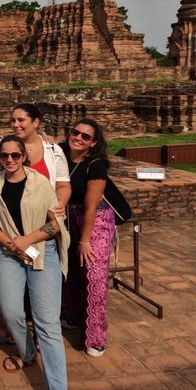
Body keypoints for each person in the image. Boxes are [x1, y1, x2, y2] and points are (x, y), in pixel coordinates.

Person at [0, 135, 82, 390]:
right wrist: (11, 243)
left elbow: (55, 224)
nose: (10, 160)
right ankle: (26, 353)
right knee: (11, 312)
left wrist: (28, 240)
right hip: (9, 253)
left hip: (41, 253)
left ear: (24, 157)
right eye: (5, 156)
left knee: (47, 322)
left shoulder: (40, 184)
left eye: (15, 156)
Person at [59, 118, 115, 358]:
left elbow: (91, 206)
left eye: (85, 137)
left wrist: (84, 240)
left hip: (95, 221)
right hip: (67, 217)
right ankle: (72, 316)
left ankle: (96, 337)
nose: (78, 138)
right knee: (70, 270)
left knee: (94, 275)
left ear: (93, 143)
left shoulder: (96, 165)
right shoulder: (60, 153)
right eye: (75, 133)